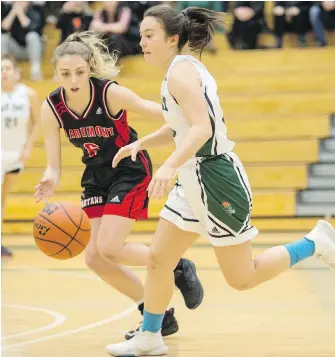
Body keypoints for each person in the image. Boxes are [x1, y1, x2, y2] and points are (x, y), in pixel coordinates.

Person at [105, 5, 335, 356]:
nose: (143, 42)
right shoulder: (178, 71)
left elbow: (203, 128)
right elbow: (181, 126)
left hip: (216, 179)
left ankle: (314, 243)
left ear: (172, 39)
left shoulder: (180, 74)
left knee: (242, 278)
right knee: (157, 259)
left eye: (149, 36)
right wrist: (142, 142)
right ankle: (151, 334)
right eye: (141, 36)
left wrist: (166, 167)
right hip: (192, 179)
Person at [33, 31, 204, 340]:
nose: (73, 80)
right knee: (96, 258)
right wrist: (50, 179)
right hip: (96, 177)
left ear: (90, 68)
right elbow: (53, 165)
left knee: (110, 247)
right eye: (65, 74)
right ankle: (158, 314)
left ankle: (175, 265)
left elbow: (163, 112)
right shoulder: (51, 107)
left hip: (130, 169)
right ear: (56, 72)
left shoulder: (110, 94)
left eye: (80, 72)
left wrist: (195, 120)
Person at [1, 54, 40, 257]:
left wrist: (28, 147)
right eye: (1, 69)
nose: (4, 72)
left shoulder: (28, 94)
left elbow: (37, 122)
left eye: (7, 68)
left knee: (3, 198)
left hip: (15, 153)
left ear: (17, 72)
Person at [1, 1, 45, 80]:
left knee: (32, 36)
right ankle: (5, 68)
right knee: (3, 37)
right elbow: (3, 29)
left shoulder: (35, 11)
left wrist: (20, 14)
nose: (18, 3)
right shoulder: (8, 10)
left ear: (27, 3)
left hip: (33, 50)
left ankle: (35, 70)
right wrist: (13, 13)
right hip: (16, 50)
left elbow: (32, 29)